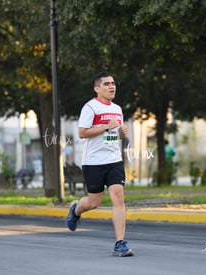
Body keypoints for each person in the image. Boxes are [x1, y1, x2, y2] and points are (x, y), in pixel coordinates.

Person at [66, 72, 134, 257]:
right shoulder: (90, 107)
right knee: (94, 202)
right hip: (93, 162)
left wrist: (120, 133)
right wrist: (106, 126)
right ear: (97, 89)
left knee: (118, 196)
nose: (112, 86)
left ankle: (120, 243)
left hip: (113, 160)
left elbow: (111, 136)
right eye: (106, 84)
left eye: (113, 83)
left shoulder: (118, 109)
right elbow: (82, 133)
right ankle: (76, 210)